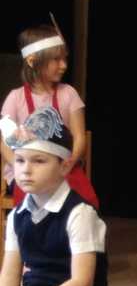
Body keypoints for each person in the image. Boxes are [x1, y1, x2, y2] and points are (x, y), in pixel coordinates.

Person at [0, 107, 107, 286]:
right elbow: (10, 273)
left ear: (65, 165)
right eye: (20, 160)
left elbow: (82, 284)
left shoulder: (80, 214)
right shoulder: (17, 215)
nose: (26, 170)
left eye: (39, 161)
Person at [0, 21, 99, 208]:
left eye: (64, 59)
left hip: (63, 167)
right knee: (36, 203)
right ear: (34, 61)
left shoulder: (69, 94)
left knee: (81, 203)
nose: (63, 65)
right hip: (27, 172)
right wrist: (19, 165)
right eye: (56, 59)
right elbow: (4, 142)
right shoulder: (15, 98)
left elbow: (79, 138)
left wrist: (68, 164)